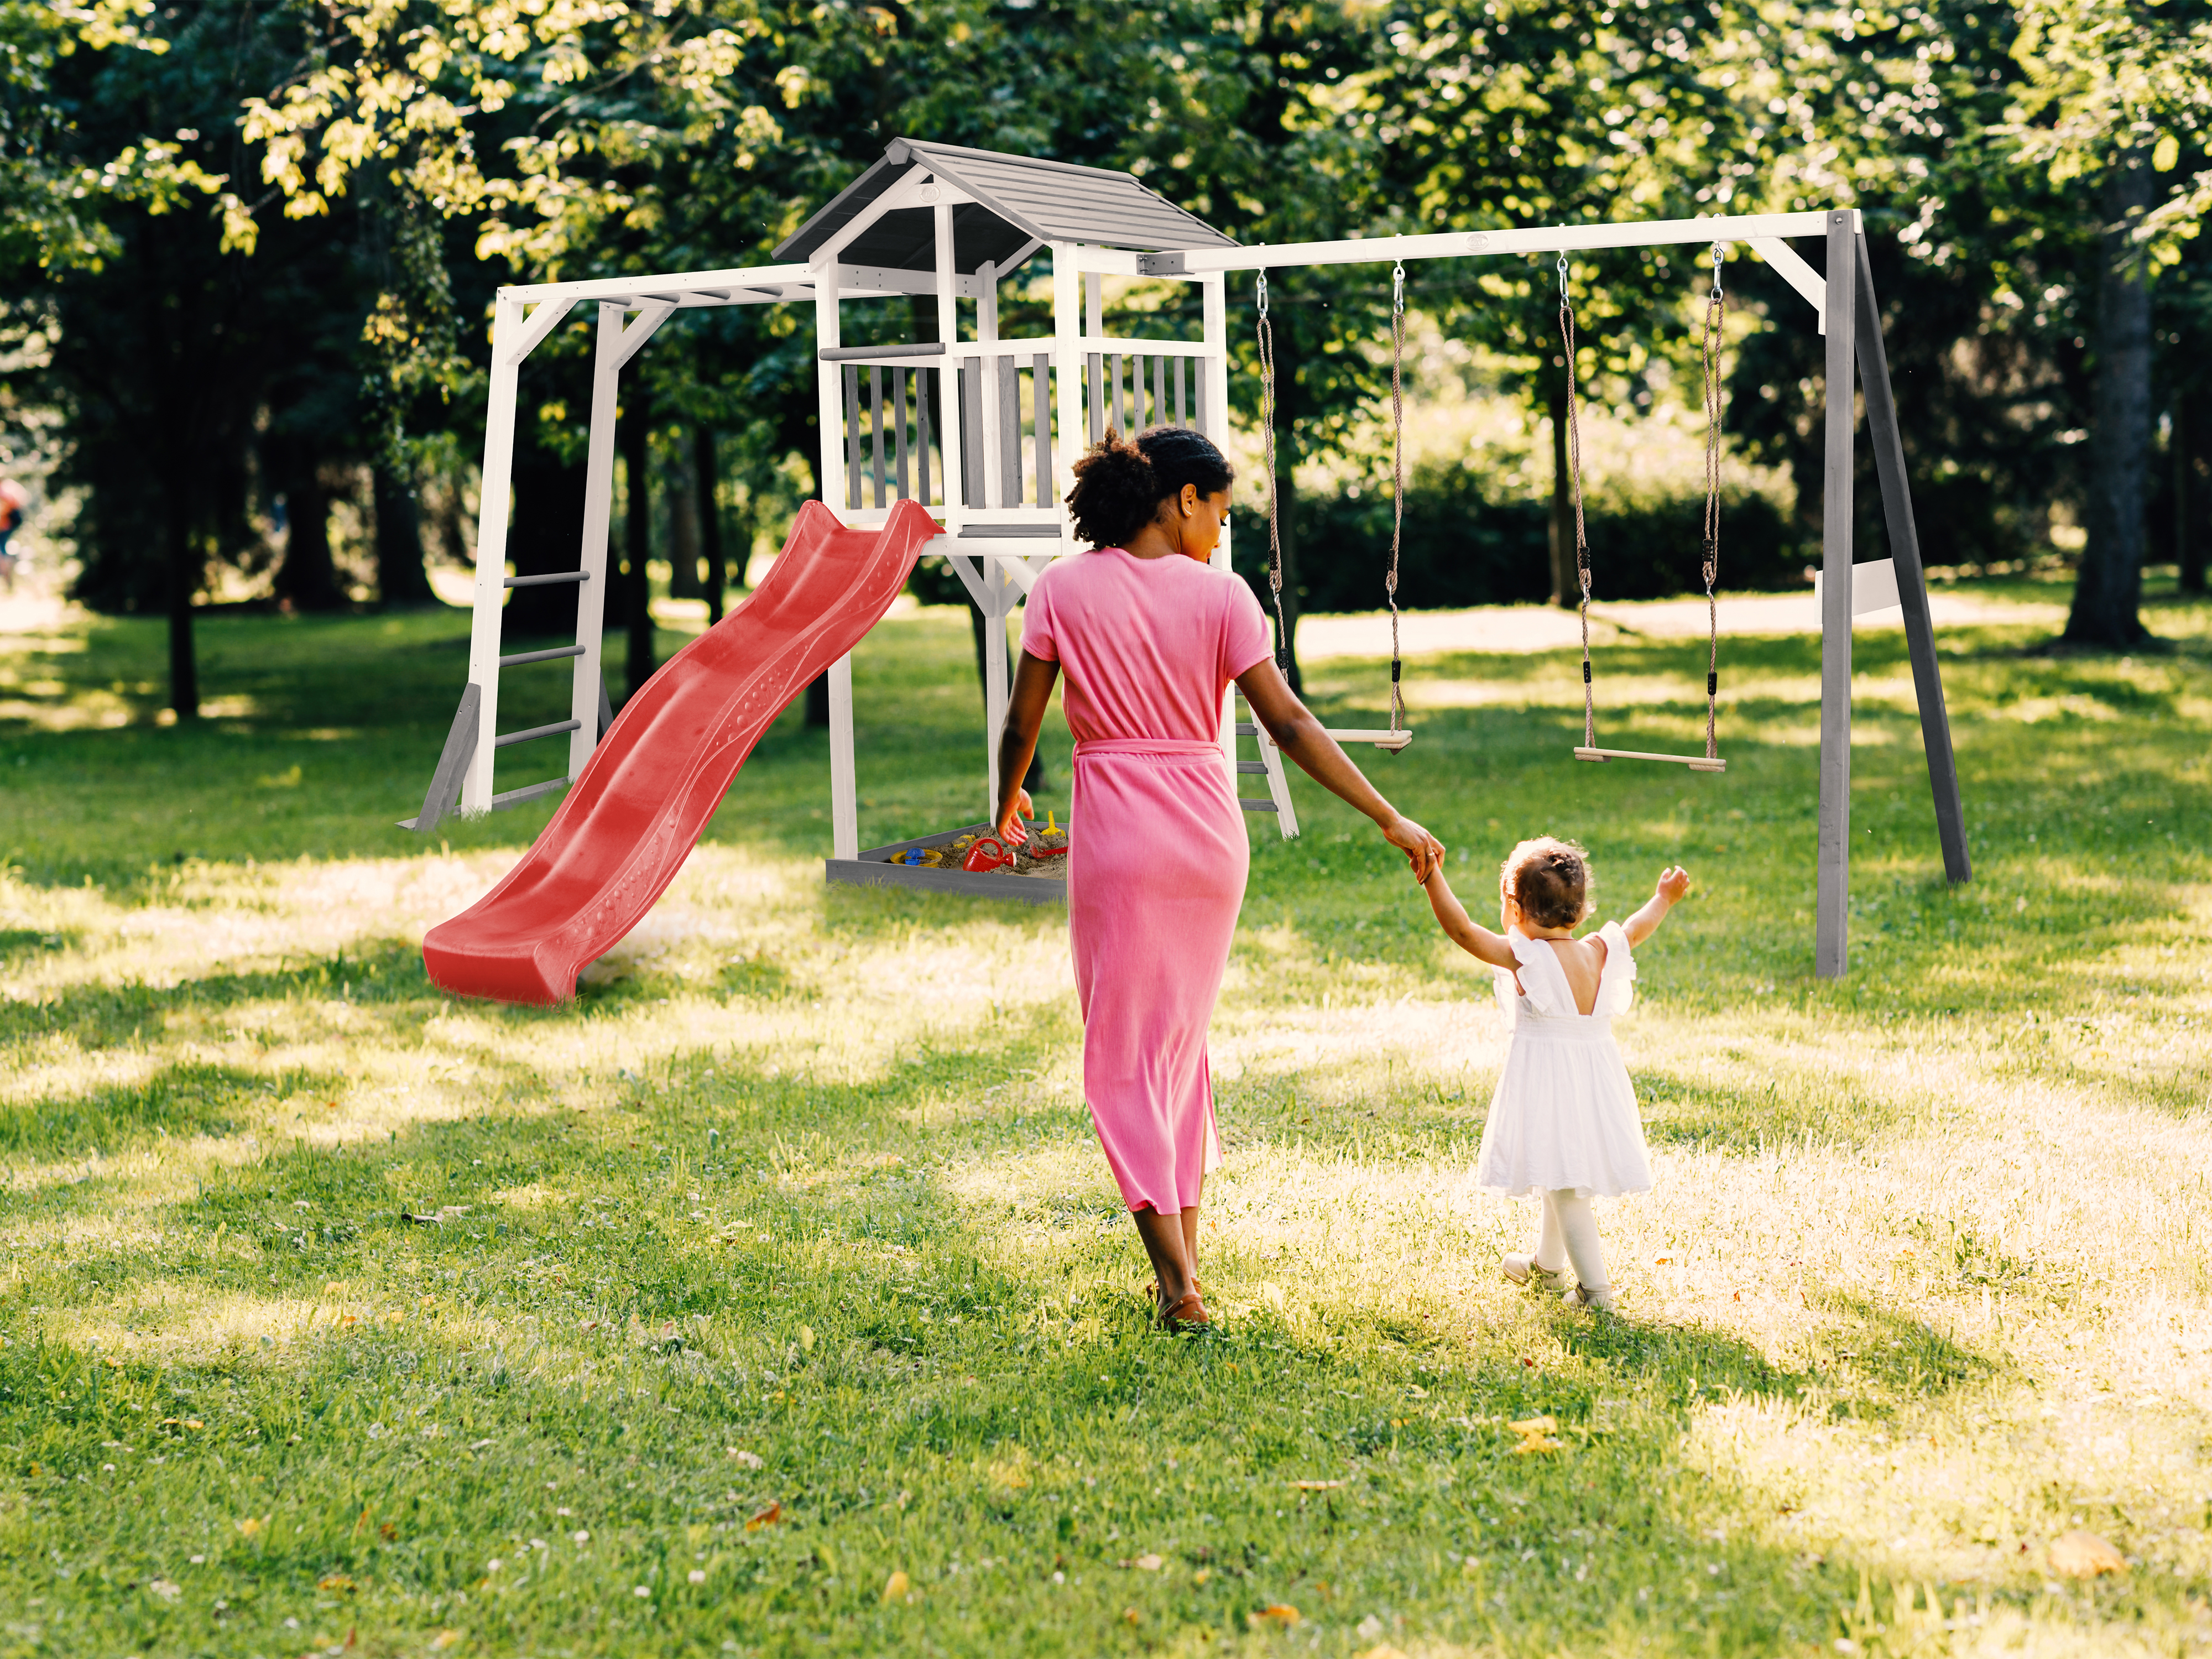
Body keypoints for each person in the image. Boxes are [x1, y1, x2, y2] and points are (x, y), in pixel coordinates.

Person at [993, 426, 1444, 1332]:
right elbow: (1290, 724)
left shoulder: (1061, 589)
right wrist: (1386, 814)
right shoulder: (1224, 597)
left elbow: (1021, 723)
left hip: (1120, 838)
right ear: (1182, 498)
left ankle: (1176, 1285)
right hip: (1207, 839)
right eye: (1221, 512)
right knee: (1175, 1051)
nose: (1222, 532)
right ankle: (1185, 1266)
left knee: (1123, 1059)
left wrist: (1003, 805)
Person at [1418, 837, 1691, 1312]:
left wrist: (1431, 875)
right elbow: (1636, 927)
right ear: (1581, 911)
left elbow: (1462, 931)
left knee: (1565, 1188)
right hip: (1594, 1082)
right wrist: (1663, 898)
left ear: (1515, 908)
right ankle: (1547, 1267)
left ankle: (1595, 1292)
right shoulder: (1598, 951)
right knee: (1556, 1169)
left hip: (1550, 1084)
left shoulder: (1527, 958)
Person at [0, 478, 27, 594]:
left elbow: (5, 509)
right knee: (3, 549)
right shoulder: (8, 486)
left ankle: (6, 573)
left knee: (2, 549)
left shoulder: (4, 491)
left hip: (8, 523)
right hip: (11, 522)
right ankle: (7, 574)